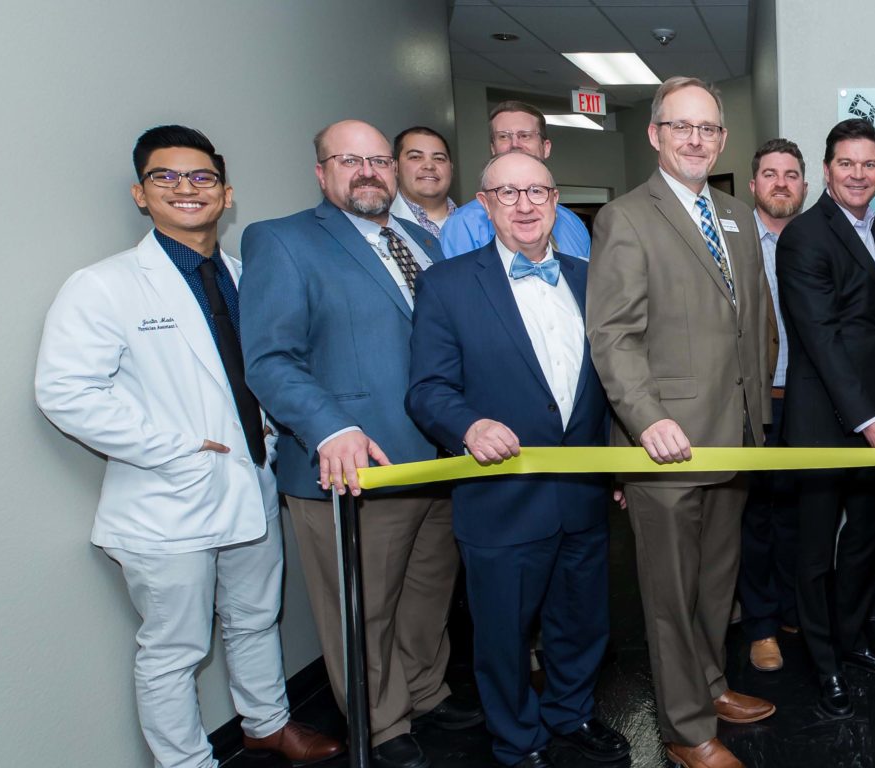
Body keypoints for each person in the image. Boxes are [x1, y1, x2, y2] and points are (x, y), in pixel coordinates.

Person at [34, 125, 343, 768]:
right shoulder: (106, 285)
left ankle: (266, 724)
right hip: (165, 497)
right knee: (175, 647)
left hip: (249, 480)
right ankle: (187, 762)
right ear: (140, 194)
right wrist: (174, 447)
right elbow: (65, 391)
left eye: (201, 177)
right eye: (165, 177)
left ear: (226, 194)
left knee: (255, 617)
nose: (185, 188)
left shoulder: (241, 275)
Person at [241, 120, 478, 768]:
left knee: (426, 593)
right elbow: (269, 358)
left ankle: (425, 692)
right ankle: (381, 722)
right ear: (322, 172)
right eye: (351, 160)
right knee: (365, 607)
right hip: (358, 466)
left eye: (379, 161)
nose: (369, 171)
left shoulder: (420, 240)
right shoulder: (282, 241)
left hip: (438, 459)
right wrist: (330, 429)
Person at [405, 150, 631, 768]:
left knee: (582, 623)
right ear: (485, 205)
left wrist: (619, 463)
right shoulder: (448, 284)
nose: (525, 205)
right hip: (500, 497)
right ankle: (517, 738)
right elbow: (427, 389)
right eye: (508, 194)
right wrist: (469, 424)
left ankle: (572, 712)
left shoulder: (592, 278)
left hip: (582, 494)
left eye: (537, 192)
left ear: (556, 200)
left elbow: (614, 383)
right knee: (503, 635)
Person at [586, 76, 776, 768]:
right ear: (655, 134)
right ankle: (685, 728)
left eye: (709, 129)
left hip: (736, 436)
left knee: (715, 585)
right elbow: (612, 335)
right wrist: (645, 421)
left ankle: (713, 684)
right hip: (666, 445)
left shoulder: (733, 214)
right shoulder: (627, 218)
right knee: (669, 595)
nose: (696, 139)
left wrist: (758, 413)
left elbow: (756, 322)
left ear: (723, 139)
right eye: (682, 127)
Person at [776, 117, 875, 718]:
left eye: (869, 164)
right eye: (846, 163)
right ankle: (824, 662)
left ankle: (852, 638)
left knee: (864, 539)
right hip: (823, 417)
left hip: (874, 409)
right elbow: (823, 336)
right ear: (827, 169)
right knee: (815, 552)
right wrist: (868, 419)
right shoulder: (804, 236)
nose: (859, 174)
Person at [736, 138, 808, 674]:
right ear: (754, 183)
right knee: (754, 517)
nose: (780, 182)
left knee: (800, 517)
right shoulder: (734, 242)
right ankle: (760, 624)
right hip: (754, 400)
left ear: (805, 185)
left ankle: (792, 610)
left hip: (809, 401)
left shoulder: (819, 239)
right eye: (770, 174)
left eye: (791, 174)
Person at [440, 101, 591, 259]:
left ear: (546, 147)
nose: (515, 145)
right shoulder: (463, 225)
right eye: (503, 137)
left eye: (525, 135)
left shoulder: (574, 224)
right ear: (493, 148)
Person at [389, 126, 456, 237]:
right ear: (395, 167)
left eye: (439, 158)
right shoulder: (376, 223)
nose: (429, 166)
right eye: (415, 157)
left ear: (451, 169)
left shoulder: (481, 221)